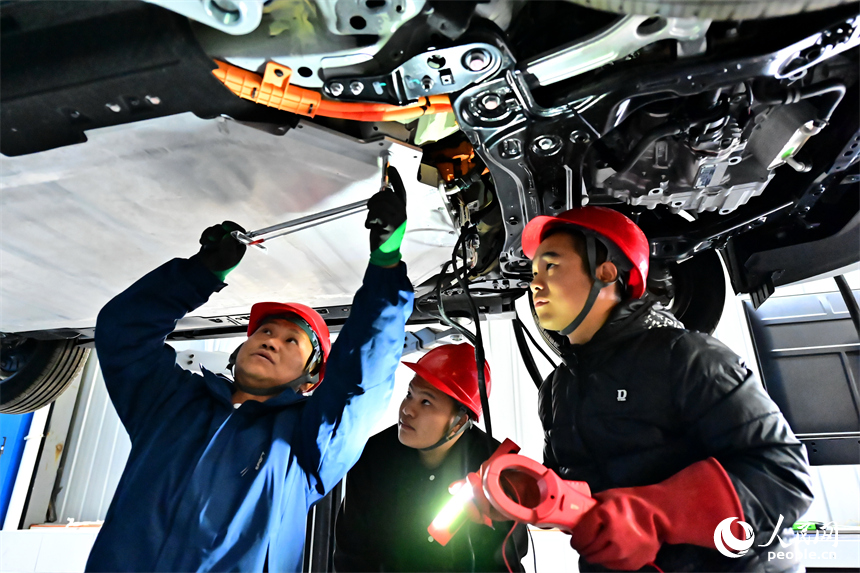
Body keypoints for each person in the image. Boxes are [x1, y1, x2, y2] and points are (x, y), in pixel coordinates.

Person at [85, 169, 414, 572]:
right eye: (264, 331)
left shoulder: (308, 447)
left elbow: (361, 377)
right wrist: (200, 273)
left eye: (292, 341)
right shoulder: (171, 404)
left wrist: (385, 265)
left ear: (312, 376)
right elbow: (124, 331)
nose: (271, 340)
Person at [476, 206, 813, 572]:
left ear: (606, 272)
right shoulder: (558, 389)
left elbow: (785, 477)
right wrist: (521, 495)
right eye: (534, 272)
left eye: (551, 266)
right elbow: (577, 493)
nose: (535, 284)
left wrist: (656, 514)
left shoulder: (686, 356)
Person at [333, 343, 528, 572]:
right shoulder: (373, 457)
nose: (407, 409)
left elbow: (504, 563)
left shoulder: (495, 471)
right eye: (409, 395)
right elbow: (351, 555)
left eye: (426, 402)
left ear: (460, 422)